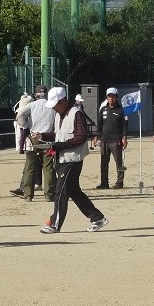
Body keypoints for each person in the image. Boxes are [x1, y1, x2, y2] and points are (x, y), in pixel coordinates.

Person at [37, 87, 109, 233]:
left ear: (63, 101)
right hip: (62, 158)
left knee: (61, 192)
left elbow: (81, 137)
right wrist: (43, 136)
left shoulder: (77, 113)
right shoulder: (58, 114)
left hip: (73, 159)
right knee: (74, 192)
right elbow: (57, 134)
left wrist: (59, 145)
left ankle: (54, 224)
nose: (54, 108)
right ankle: (97, 218)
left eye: (55, 104)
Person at [16, 85, 56, 202]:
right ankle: (49, 194)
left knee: (30, 167)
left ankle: (28, 195)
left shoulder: (32, 105)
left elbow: (20, 115)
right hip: (48, 138)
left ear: (35, 95)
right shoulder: (52, 106)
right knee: (48, 167)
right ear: (47, 94)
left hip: (33, 137)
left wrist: (26, 126)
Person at [92, 87, 128, 189]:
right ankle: (104, 183)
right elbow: (99, 124)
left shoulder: (121, 110)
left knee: (119, 162)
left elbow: (125, 125)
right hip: (104, 140)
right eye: (109, 96)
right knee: (103, 163)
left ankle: (119, 182)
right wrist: (96, 137)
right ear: (106, 97)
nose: (111, 98)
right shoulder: (103, 109)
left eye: (113, 96)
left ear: (116, 97)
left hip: (116, 140)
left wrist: (124, 137)